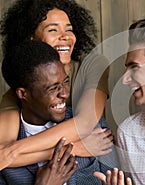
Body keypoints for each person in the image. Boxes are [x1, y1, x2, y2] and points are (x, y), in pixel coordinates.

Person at [0, 0, 113, 169]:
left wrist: (15, 151)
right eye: (53, 30)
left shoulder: (92, 64)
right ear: (32, 40)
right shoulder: (20, 90)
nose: (65, 36)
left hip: (90, 166)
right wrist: (70, 149)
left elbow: (85, 122)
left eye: (69, 29)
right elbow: (2, 154)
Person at [0, 40, 114, 185]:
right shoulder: (6, 146)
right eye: (52, 88)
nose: (65, 94)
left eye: (65, 82)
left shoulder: (94, 128)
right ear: (23, 94)